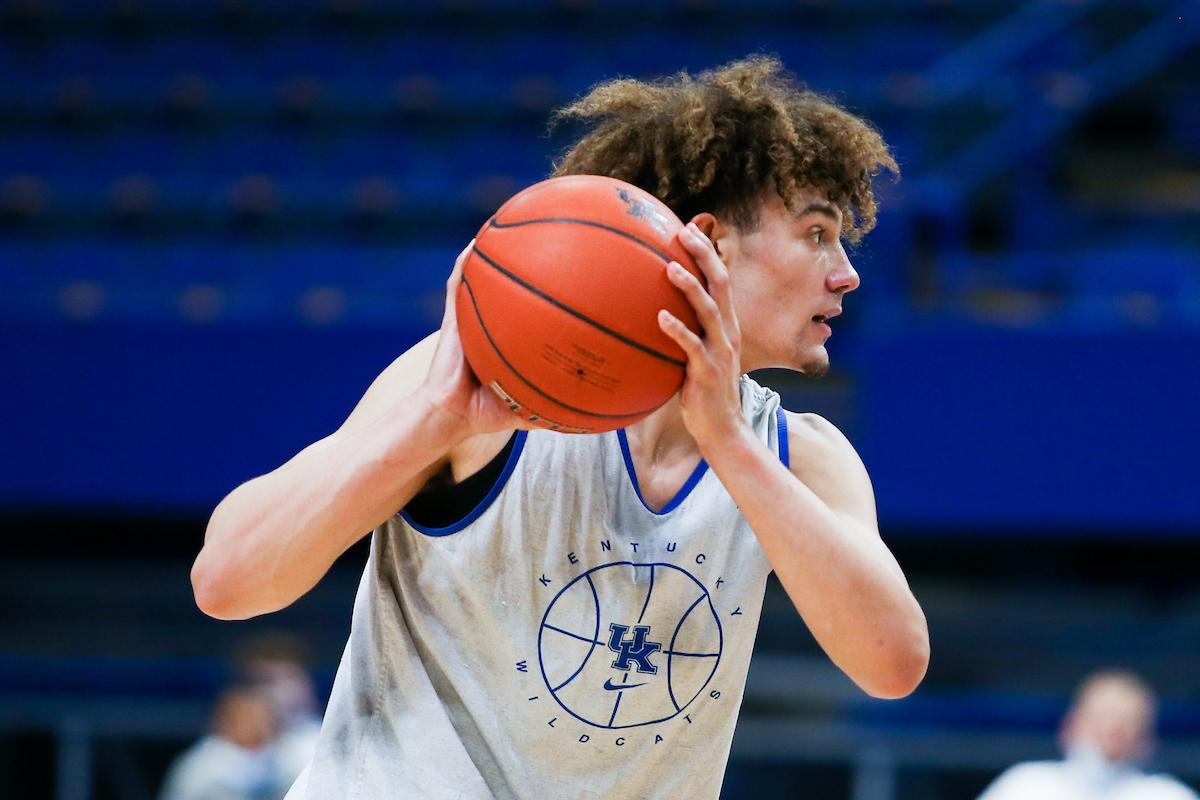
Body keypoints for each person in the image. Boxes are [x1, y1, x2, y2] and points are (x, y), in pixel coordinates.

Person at [191, 56, 930, 799]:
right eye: (815, 233)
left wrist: (729, 443)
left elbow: (892, 665)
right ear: (710, 242)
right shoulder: (477, 377)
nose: (846, 272)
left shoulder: (800, 458)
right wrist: (432, 421)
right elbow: (228, 582)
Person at [977, 670, 1199, 800]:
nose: (1114, 731)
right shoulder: (1025, 785)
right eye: (1103, 718)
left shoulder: (1168, 795)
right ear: (1071, 724)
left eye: (1128, 722)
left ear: (1147, 735)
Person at [158, 684, 283, 800]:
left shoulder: (280, 754)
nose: (257, 724)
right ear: (225, 720)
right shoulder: (202, 762)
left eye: (262, 717)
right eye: (248, 717)